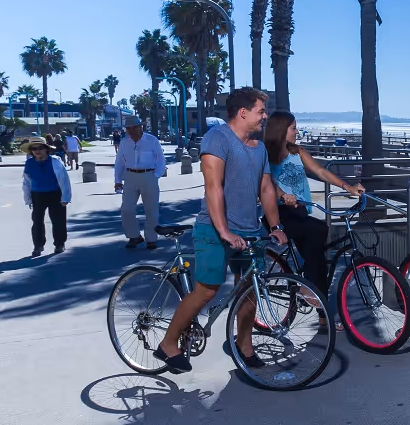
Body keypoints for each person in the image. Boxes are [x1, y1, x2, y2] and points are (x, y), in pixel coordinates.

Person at [154, 88, 288, 373]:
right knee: (206, 291)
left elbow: (265, 187)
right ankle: (168, 344)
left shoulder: (259, 146)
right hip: (213, 230)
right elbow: (213, 187)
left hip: (250, 230)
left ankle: (244, 345)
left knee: (251, 289)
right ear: (243, 112)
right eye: (261, 111)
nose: (265, 116)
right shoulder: (217, 139)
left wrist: (275, 225)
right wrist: (225, 231)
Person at [264, 111, 366, 304]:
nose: (297, 131)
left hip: (300, 212)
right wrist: (283, 195)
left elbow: (320, 171)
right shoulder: (265, 155)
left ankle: (319, 307)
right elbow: (265, 182)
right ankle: (310, 289)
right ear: (280, 130)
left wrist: (347, 187)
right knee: (318, 232)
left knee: (317, 259)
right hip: (278, 213)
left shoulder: (298, 152)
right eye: (293, 128)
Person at [114, 115, 167, 249]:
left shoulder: (152, 140)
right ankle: (134, 236)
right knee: (126, 209)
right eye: (128, 129)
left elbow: (161, 160)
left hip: (149, 175)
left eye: (134, 128)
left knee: (151, 209)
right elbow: (119, 162)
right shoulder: (124, 142)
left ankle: (151, 238)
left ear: (140, 127)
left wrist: (155, 175)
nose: (131, 131)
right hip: (130, 176)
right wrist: (118, 180)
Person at [22, 139, 72, 257]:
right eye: (34, 149)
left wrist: (65, 197)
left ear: (46, 149)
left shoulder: (55, 161)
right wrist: (28, 198)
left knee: (58, 220)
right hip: (37, 195)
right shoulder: (29, 163)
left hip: (55, 193)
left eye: (40, 148)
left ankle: (59, 243)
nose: (37, 151)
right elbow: (26, 181)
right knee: (37, 221)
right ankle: (38, 245)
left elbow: (64, 179)